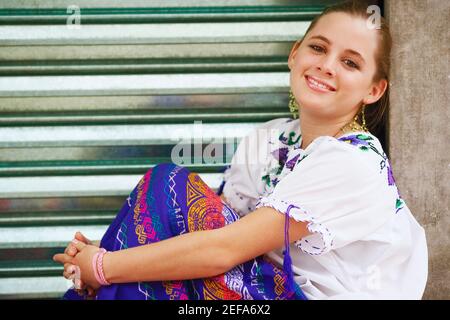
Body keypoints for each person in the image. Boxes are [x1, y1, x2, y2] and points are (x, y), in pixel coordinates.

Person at [53, 0, 428, 300]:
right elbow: (208, 226)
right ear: (295, 55)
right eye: (318, 48)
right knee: (150, 260)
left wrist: (102, 266)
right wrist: (104, 251)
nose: (327, 66)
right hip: (260, 284)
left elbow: (222, 250)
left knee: (168, 186)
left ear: (373, 90)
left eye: (350, 62)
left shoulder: (353, 162)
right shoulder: (271, 137)